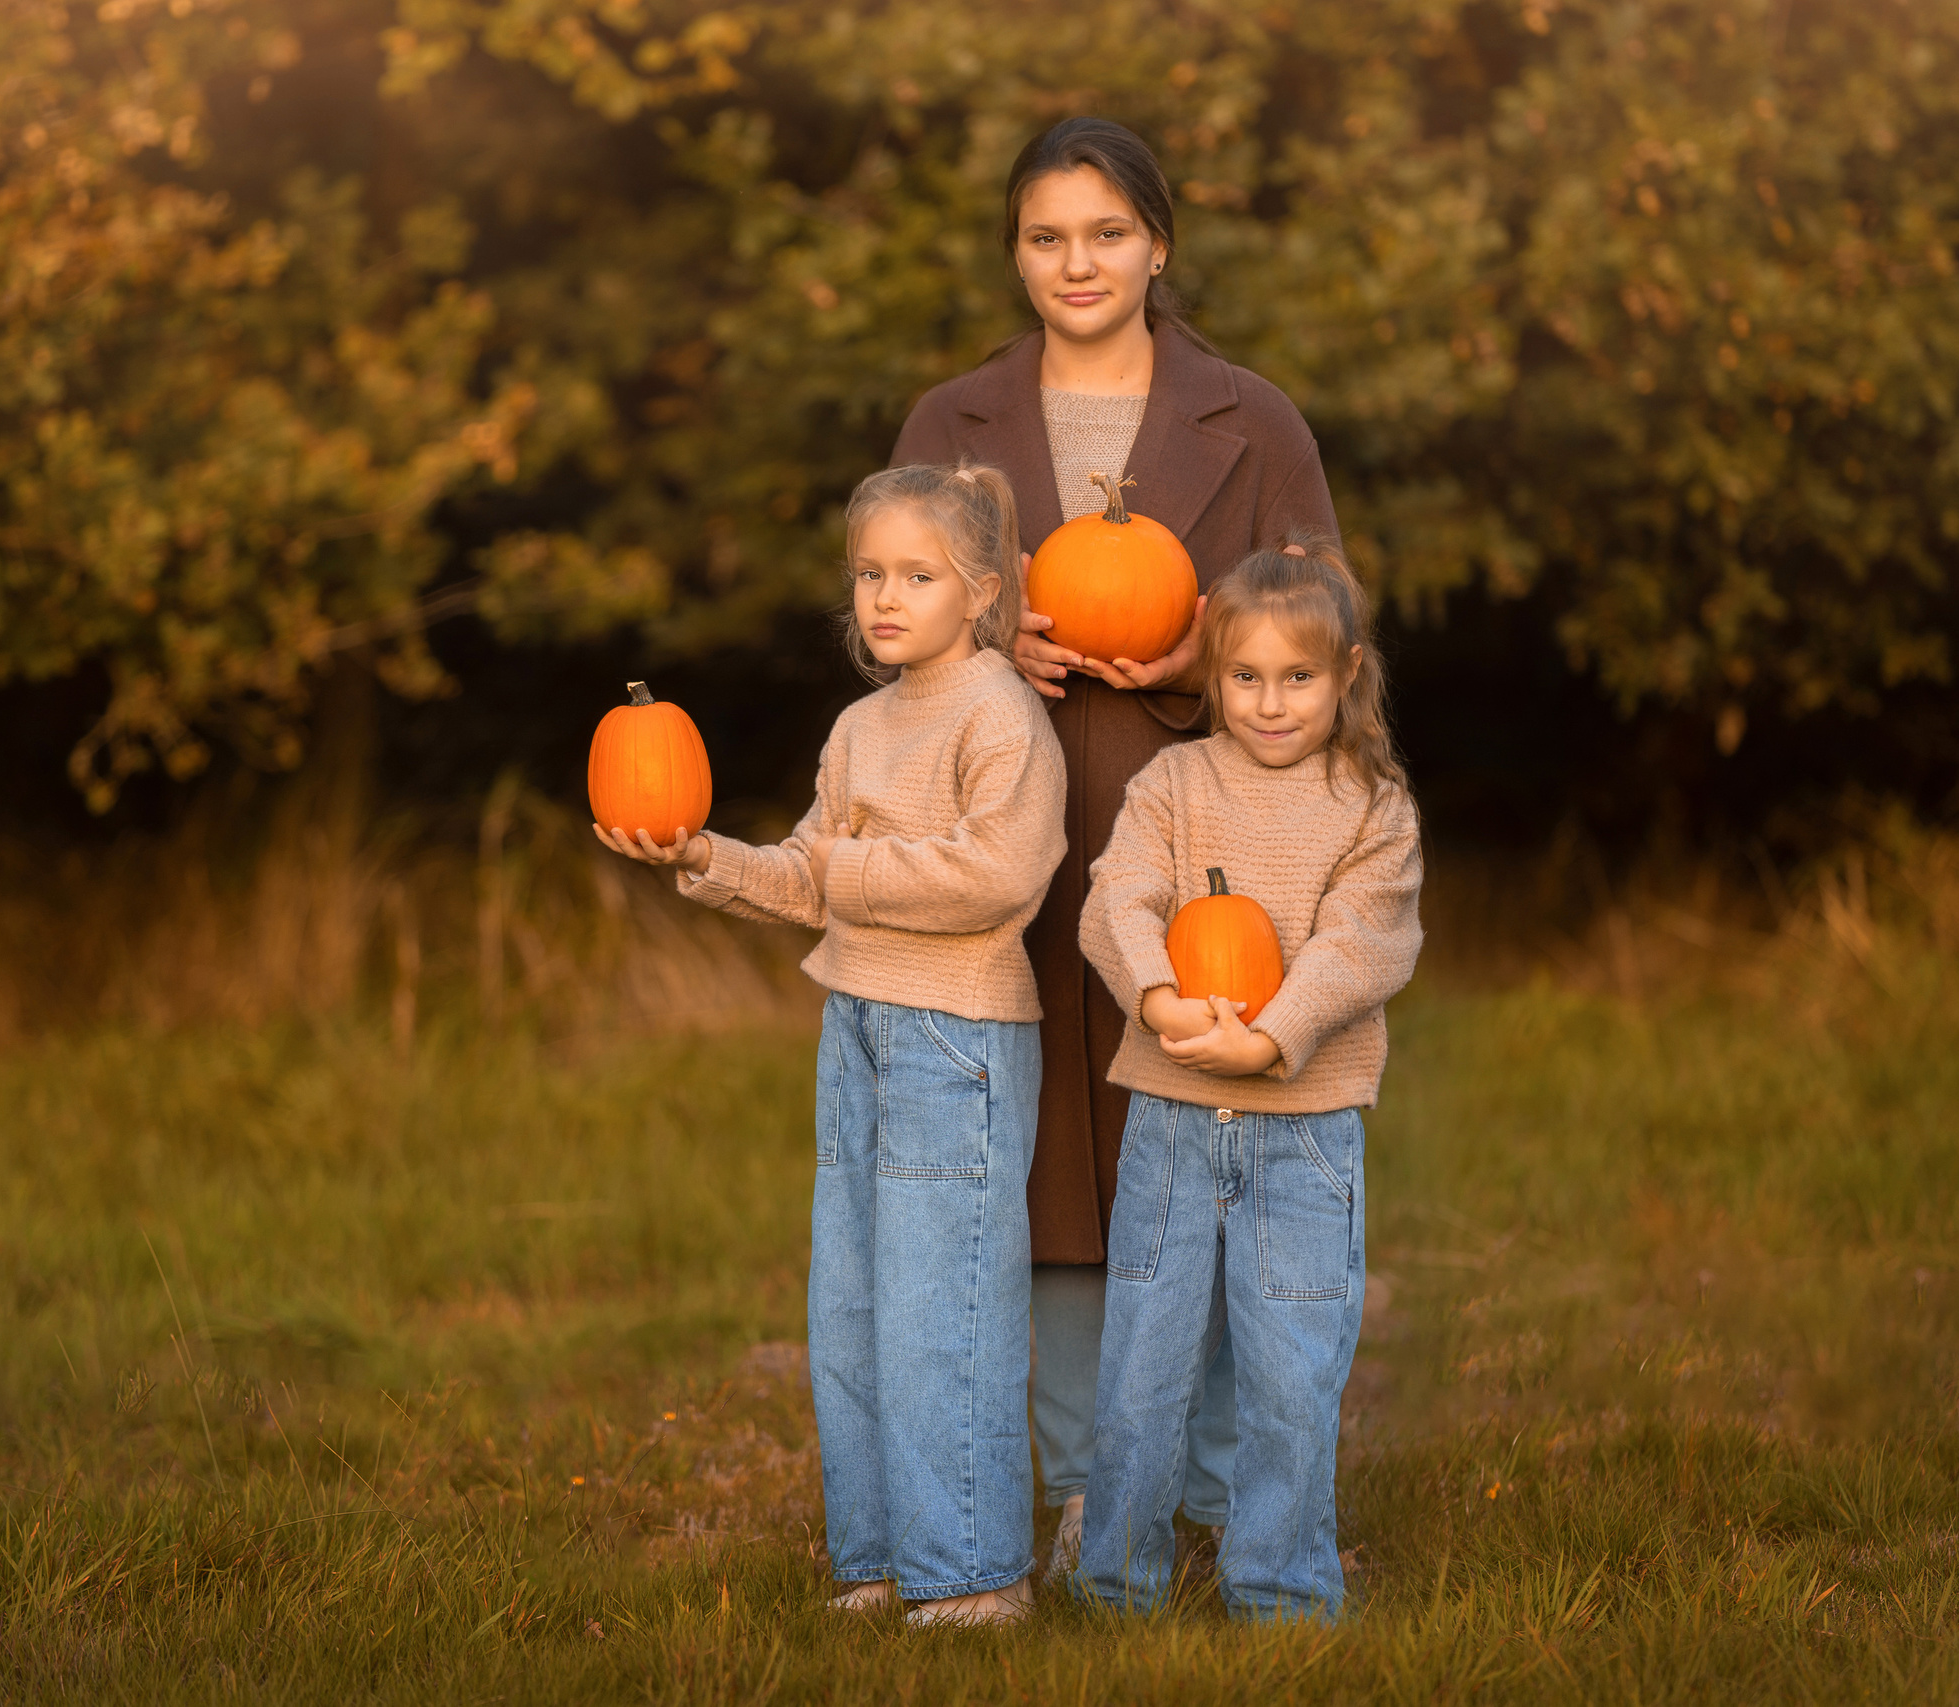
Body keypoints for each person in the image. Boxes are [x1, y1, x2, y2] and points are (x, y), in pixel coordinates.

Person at [890, 115, 1341, 1573]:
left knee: (1210, 1138)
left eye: (1106, 233)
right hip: (1008, 845)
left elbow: (1331, 629)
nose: (1075, 262)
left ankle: (1210, 1482)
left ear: (1158, 245)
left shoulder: (1254, 421)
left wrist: (1216, 650)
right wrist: (976, 640)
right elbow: (884, 616)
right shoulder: (950, 424)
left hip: (1208, 846)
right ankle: (1093, 1480)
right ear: (1013, 251)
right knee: (1051, 1161)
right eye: (1045, 236)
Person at [596, 463, 1064, 1628]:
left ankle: (974, 1575)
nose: (885, 598)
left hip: (955, 1039)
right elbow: (808, 877)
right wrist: (701, 855)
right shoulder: (860, 726)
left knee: (940, 1308)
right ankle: (881, 1559)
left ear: (984, 591)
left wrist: (843, 871)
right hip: (854, 1027)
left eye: (917, 576)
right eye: (868, 575)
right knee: (853, 1307)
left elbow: (997, 875)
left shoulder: (1001, 715)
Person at [1071, 533, 1423, 1619]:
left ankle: (1281, 1593)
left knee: (1289, 1374)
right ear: (1212, 673)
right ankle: (1115, 1588)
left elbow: (1362, 943)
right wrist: (1158, 999)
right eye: (1245, 677)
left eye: (1298, 677)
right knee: (1143, 1369)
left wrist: (1270, 1038)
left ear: (1346, 674)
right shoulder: (1174, 783)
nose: (1270, 704)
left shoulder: (1371, 803)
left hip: (1304, 1128)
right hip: (1173, 1117)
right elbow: (1118, 896)